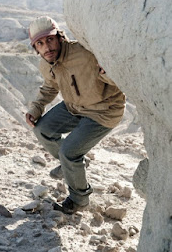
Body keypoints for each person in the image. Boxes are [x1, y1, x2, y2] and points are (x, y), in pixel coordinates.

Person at [25, 16, 126, 214]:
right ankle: (72, 165)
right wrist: (35, 109)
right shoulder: (46, 63)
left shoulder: (85, 53)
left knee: (69, 152)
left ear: (60, 37)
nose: (47, 47)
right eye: (40, 43)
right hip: (74, 107)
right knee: (43, 130)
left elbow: (121, 78)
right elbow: (49, 87)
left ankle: (79, 200)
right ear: (36, 48)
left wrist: (109, 72)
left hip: (103, 111)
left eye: (50, 40)